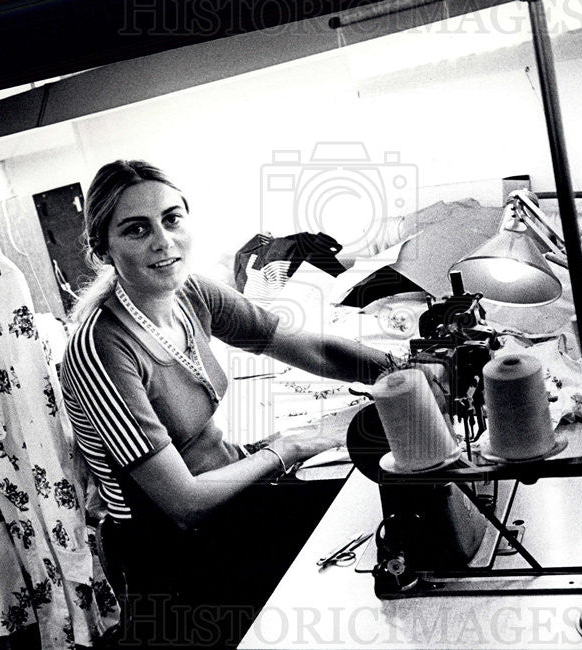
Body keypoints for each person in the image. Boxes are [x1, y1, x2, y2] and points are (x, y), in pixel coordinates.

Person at [59, 160, 398, 647]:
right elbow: (184, 503)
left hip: (239, 500)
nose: (163, 241)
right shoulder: (101, 348)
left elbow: (310, 348)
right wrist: (290, 447)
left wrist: (398, 370)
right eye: (137, 230)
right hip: (178, 559)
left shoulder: (191, 294)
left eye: (172, 219)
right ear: (103, 248)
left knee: (368, 518)